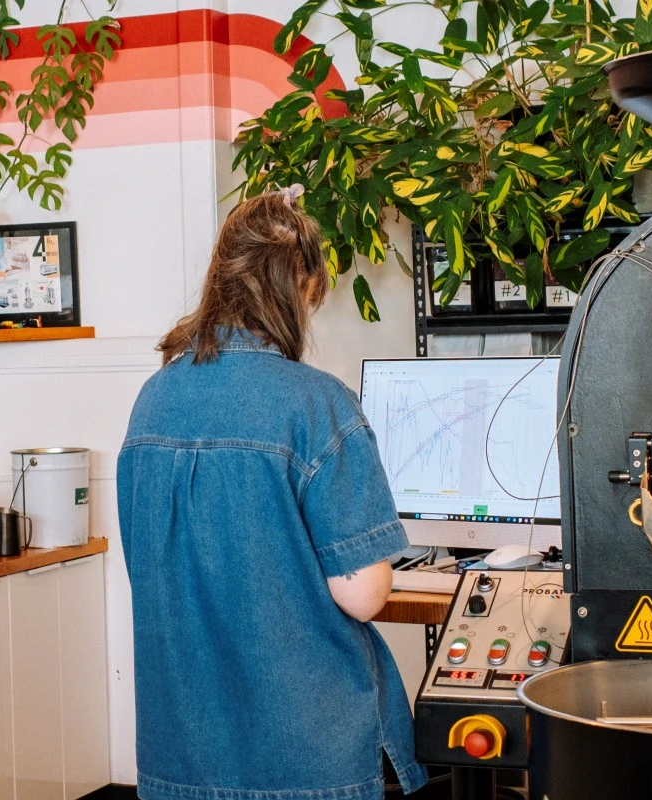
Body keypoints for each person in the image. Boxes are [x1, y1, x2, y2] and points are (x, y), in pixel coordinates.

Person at [117, 192, 425, 799]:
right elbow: (364, 595)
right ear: (299, 284)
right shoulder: (316, 403)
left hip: (181, 756)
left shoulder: (152, 400)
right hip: (304, 756)